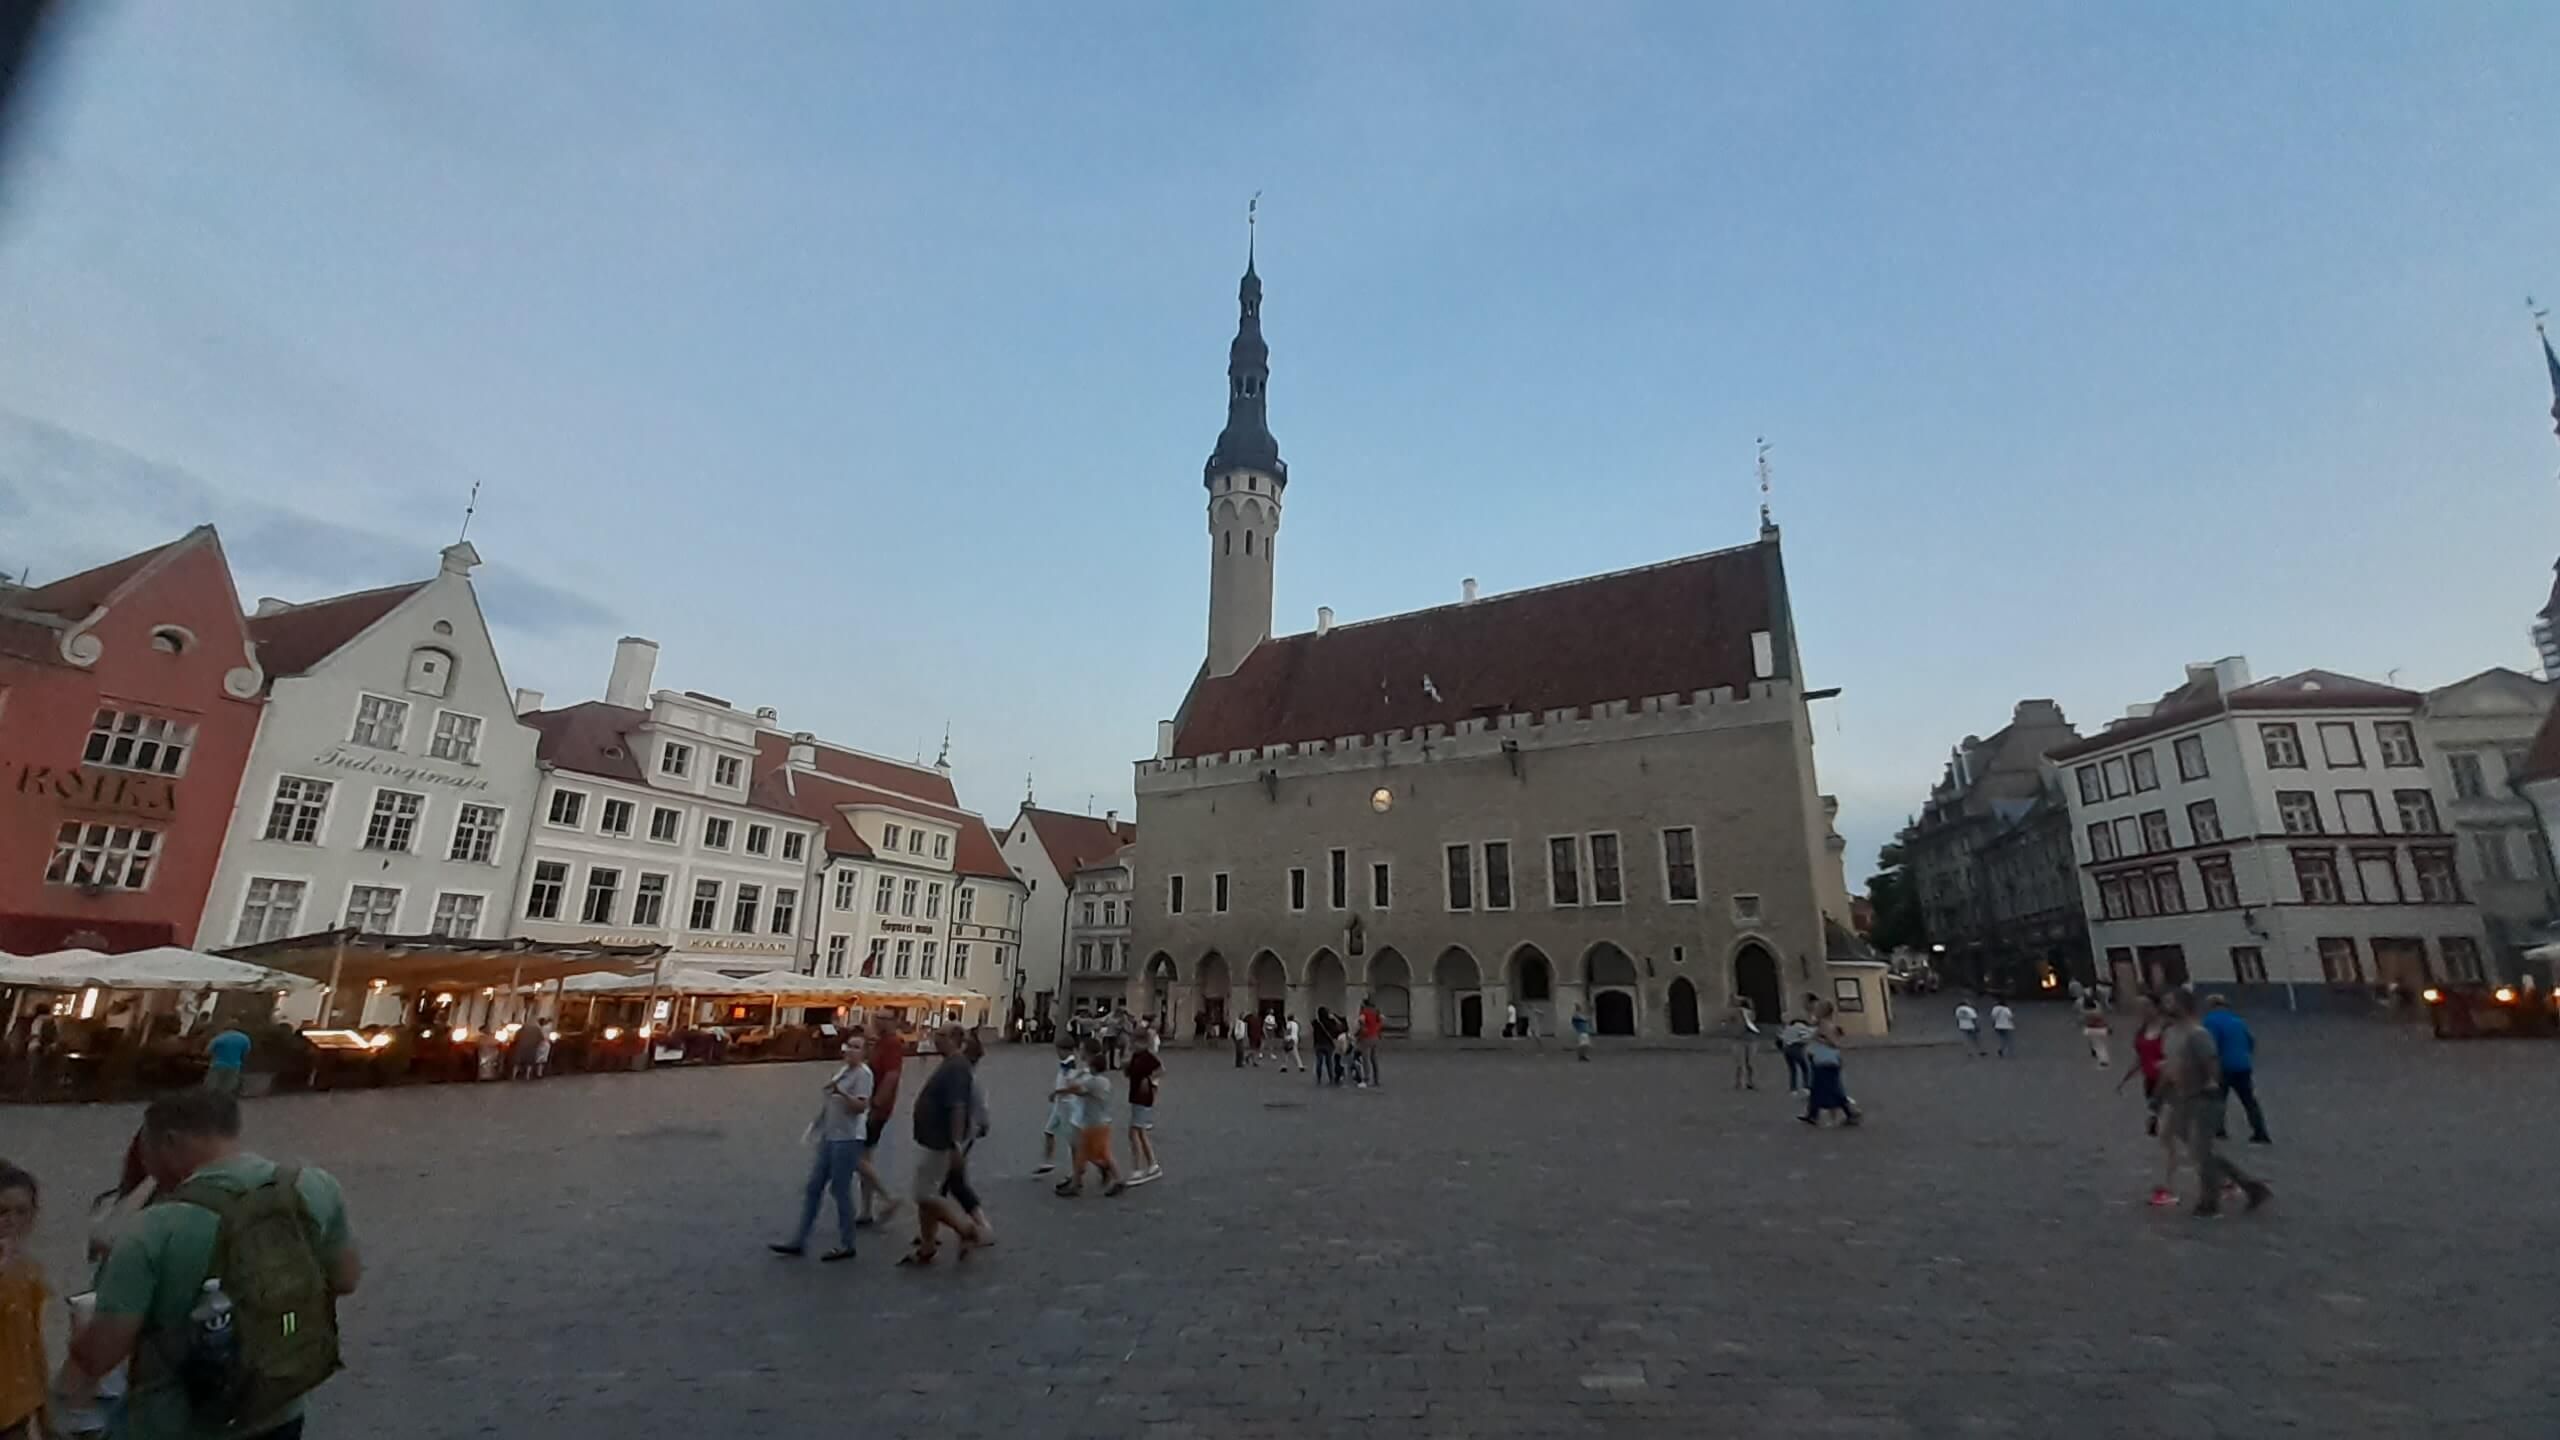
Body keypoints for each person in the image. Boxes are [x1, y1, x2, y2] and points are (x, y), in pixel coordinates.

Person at [63, 1089, 361, 1440]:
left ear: (169, 1142)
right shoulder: (313, 1186)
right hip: (279, 1407)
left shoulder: (154, 1228)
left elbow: (101, 1356)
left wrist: (81, 1334)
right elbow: (345, 1279)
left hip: (177, 1423)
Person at [2162, 989, 2270, 1217]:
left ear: (2182, 1005)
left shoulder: (2198, 1032)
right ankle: (2251, 1186)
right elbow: (2171, 1065)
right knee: (2201, 1151)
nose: (2166, 1006)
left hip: (2203, 1097)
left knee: (2202, 1151)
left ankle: (2209, 1202)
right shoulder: (2174, 1033)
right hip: (2184, 1097)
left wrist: (2212, 1081)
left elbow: (2211, 1059)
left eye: (2170, 1002)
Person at [771, 1034, 871, 1262]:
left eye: (857, 1047)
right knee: (813, 1186)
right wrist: (817, 1125)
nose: (852, 1051)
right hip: (830, 1135)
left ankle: (848, 1243)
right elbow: (829, 1102)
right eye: (850, 1046)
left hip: (848, 1139)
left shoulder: (863, 1075)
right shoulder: (843, 1071)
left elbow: (861, 1106)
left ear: (864, 1052)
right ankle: (799, 1239)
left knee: (840, 1189)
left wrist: (841, 1093)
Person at [898, 1026, 984, 1264]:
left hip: (940, 1141)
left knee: (923, 1194)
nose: (937, 1040)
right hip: (931, 1137)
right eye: (937, 1035)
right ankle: (927, 1246)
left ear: (956, 1040)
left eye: (943, 1036)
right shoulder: (951, 1064)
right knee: (928, 1193)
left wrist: (956, 1142)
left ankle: (965, 1228)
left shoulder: (957, 1067)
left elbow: (958, 1106)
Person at [2115, 997, 2181, 1206]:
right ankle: (2225, 1177)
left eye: (2145, 1007)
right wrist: (2126, 1078)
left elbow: (2174, 1057)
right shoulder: (2143, 1030)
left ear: (2155, 1007)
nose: (2141, 1011)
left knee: (2173, 1135)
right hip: (2151, 1084)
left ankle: (2167, 1186)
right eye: (2138, 1008)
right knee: (2172, 1135)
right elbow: (2140, 1057)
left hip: (2172, 1085)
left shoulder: (2169, 1029)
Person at [1, 1160, 45, 1440]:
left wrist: (46, 1414)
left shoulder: (28, 1271)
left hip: (16, 1414)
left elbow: (32, 1345)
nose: (12, 1221)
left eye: (22, 1212)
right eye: (1, 1212)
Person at [1053, 1039, 1124, 1198]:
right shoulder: (1103, 1081)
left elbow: (1078, 1089)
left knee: (1094, 1153)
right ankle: (1078, 1182)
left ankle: (1080, 1183)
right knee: (1088, 1153)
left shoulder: (1093, 1082)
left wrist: (1062, 1089)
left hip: (1094, 1124)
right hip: (1097, 1122)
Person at [856, 1015, 907, 1229]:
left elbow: (891, 1076)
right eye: (876, 1017)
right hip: (871, 1106)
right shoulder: (880, 1043)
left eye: (882, 1017)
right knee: (865, 1157)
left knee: (856, 1156)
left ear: (892, 1021)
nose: (876, 1020)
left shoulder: (893, 1044)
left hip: (877, 1109)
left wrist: (876, 1104)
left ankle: (888, 1197)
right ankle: (866, 1210)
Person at [2201, 996, 2272, 1145]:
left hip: (2223, 1066)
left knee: (2218, 1099)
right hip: (2242, 1065)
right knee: (2249, 1100)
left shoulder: (2210, 1021)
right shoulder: (2238, 1021)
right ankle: (2260, 1131)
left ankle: (2219, 1129)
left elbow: (2210, 1045)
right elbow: (2250, 1041)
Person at [1799, 1002, 1860, 1127]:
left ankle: (1851, 1113)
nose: (1815, 1012)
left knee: (1833, 1089)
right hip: (1820, 1059)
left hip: (1827, 1061)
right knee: (1817, 1088)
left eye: (1818, 1009)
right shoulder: (1821, 1024)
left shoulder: (1826, 1025)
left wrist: (1819, 1039)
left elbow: (1834, 1043)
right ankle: (1812, 1114)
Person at [1122, 1027, 1164, 1185]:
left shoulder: (1147, 1057)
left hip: (1143, 1098)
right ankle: (1152, 1165)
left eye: (1134, 1041)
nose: (1132, 1044)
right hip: (1136, 1097)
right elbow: (1129, 1073)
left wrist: (1149, 1079)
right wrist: (1126, 1065)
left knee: (1134, 1133)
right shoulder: (1136, 1056)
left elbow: (1160, 1070)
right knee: (1140, 1132)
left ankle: (1138, 1169)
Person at [1035, 1036, 1079, 1176]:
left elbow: (1072, 1086)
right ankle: (1048, 1161)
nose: (1058, 1053)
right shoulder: (1065, 1063)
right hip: (1059, 1104)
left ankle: (1075, 1170)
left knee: (1071, 1140)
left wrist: (1056, 1092)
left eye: (1059, 1050)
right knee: (1049, 1131)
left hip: (1067, 1105)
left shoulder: (1071, 1066)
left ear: (1066, 1051)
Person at [204, 1026, 252, 1097]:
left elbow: (207, 1052)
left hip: (217, 1065)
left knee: (210, 1087)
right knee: (227, 1089)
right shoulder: (244, 1038)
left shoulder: (219, 1037)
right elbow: (246, 1052)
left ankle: (210, 1103)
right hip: (234, 1066)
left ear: (225, 1029)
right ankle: (223, 1103)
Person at [1727, 999, 1760, 1089]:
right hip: (1743, 1040)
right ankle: (1742, 1082)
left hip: (1745, 1040)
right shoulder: (1735, 1013)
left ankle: (1746, 1082)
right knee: (1743, 1064)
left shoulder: (1750, 1014)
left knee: (1746, 1064)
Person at [1780, 1012, 1814, 1094]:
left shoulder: (1788, 1027)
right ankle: (1806, 1087)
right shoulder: (1801, 1027)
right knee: (1805, 1067)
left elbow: (1781, 1038)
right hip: (1796, 1048)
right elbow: (1805, 1037)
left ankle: (1793, 1089)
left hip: (1786, 1049)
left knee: (1793, 1069)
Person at [2079, 989, 2112, 1068]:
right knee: (2101, 1045)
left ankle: (2100, 1057)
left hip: (2091, 1029)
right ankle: (2103, 1059)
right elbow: (2103, 1017)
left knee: (2096, 1043)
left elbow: (2082, 1020)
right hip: (2101, 1029)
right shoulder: (2098, 1010)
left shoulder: (2085, 1011)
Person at [1356, 999, 1384, 1089]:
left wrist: (1362, 1029)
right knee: (1374, 1059)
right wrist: (1377, 1029)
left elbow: (1361, 1021)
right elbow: (1382, 1020)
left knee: (1365, 1059)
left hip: (1366, 1038)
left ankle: (1366, 1079)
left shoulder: (1364, 1012)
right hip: (1375, 1037)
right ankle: (1376, 1079)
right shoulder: (1376, 1011)